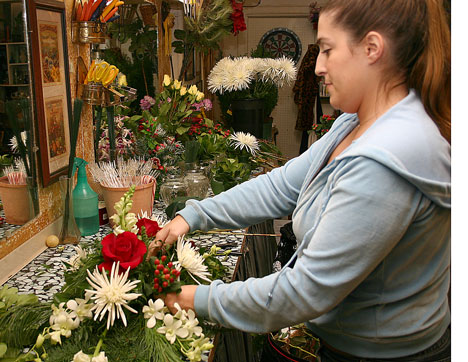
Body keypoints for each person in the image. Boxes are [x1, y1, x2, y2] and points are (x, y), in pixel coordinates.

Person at [149, 0, 451, 360]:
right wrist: (192, 216)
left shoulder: (386, 158)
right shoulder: (355, 122)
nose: (318, 67)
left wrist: (187, 298)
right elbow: (281, 186)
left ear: (372, 49)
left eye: (326, 49)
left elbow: (304, 292)